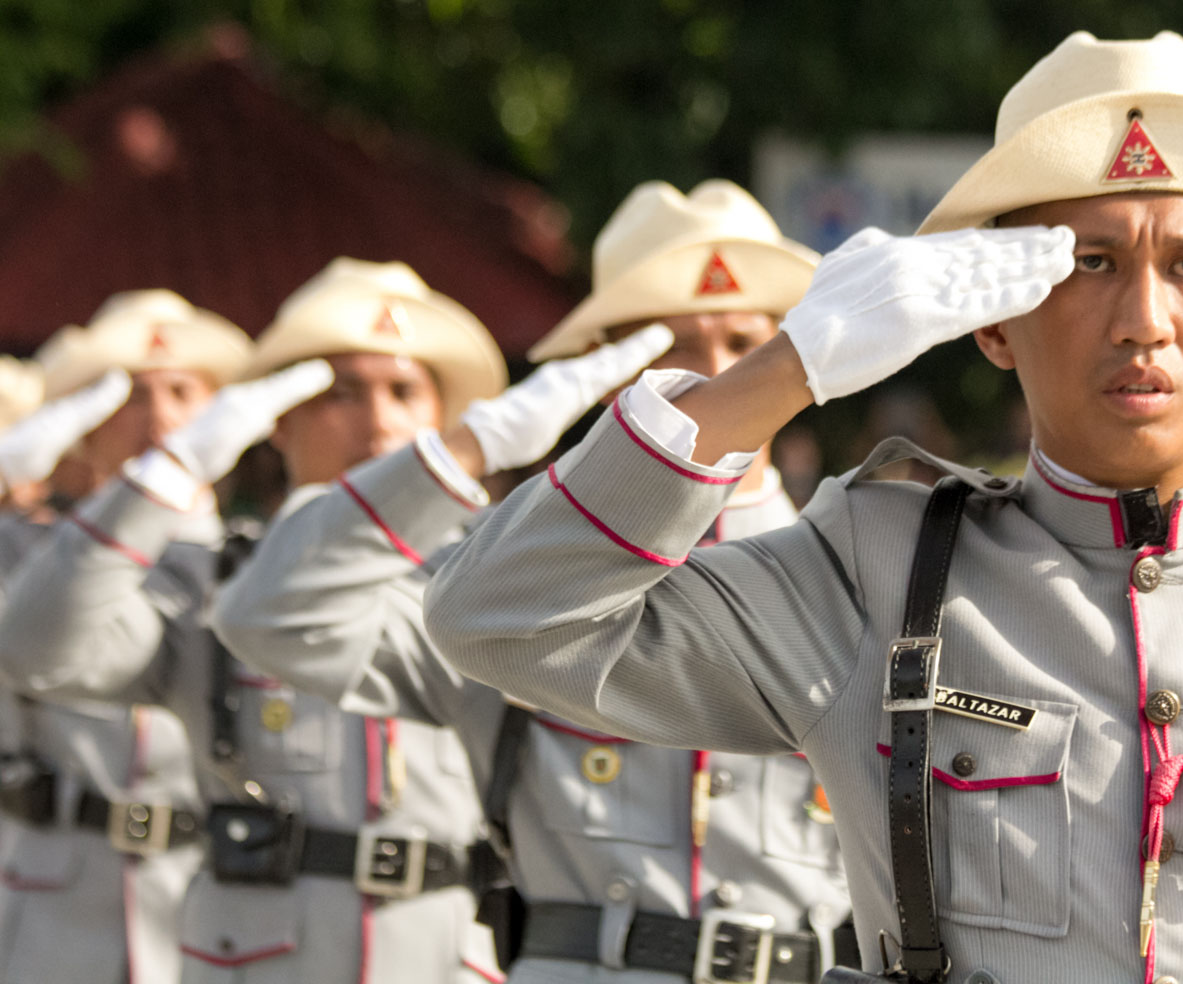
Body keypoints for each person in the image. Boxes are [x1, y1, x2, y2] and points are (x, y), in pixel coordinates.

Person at [422, 32, 1183, 984]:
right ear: (994, 323)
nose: (1145, 319)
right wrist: (786, 370)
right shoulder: (876, 574)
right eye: (1089, 263)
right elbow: (498, 618)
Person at [211, 180, 857, 984]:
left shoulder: (848, 568)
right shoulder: (507, 578)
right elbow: (274, 617)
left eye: (745, 343)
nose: (720, 373)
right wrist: (458, 454)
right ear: (610, 370)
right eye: (678, 348)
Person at [0, 260, 519, 983]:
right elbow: (40, 648)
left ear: (441, 417)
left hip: (447, 956)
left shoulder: (494, 585)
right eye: (340, 393)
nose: (378, 423)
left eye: (405, 391)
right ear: (280, 421)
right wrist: (164, 476)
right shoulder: (219, 584)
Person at [0, 291, 247, 984]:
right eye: (129, 395)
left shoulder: (254, 561)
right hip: (49, 901)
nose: (160, 418)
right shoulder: (21, 552)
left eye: (183, 391)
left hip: (209, 899)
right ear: (83, 424)